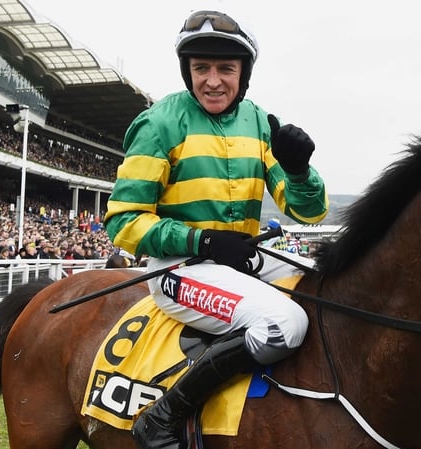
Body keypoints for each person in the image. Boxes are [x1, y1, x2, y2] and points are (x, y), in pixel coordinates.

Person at [104, 9, 328, 449]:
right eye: (201, 68)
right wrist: (200, 240)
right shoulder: (159, 124)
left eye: (226, 69)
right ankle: (162, 418)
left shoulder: (261, 124)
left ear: (243, 75)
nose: (212, 81)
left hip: (244, 259)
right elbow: (123, 221)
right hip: (177, 268)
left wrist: (300, 172)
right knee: (286, 323)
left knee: (329, 285)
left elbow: (308, 213)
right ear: (187, 71)